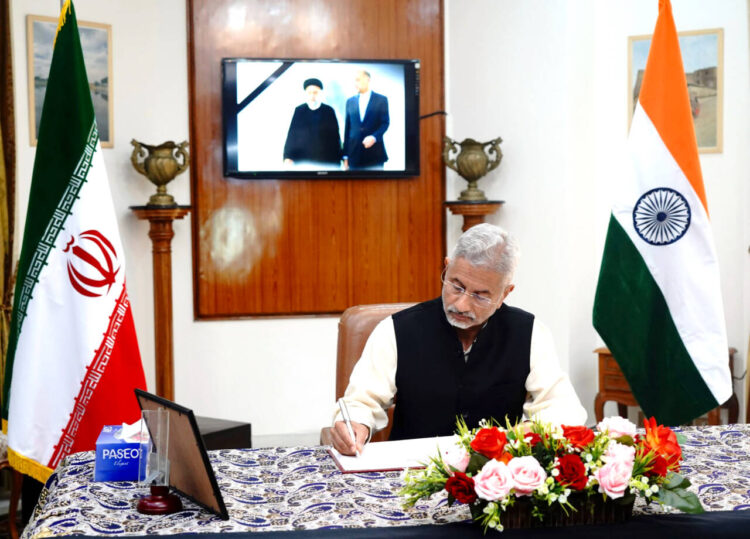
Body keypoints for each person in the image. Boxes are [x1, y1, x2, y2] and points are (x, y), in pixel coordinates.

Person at [331, 224, 587, 456]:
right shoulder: (395, 330)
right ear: (446, 266)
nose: (461, 304)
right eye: (456, 285)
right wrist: (355, 424)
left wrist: (520, 434)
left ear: (505, 293)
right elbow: (361, 401)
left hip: (494, 478)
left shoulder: (530, 333)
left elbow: (564, 411)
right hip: (410, 474)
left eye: (480, 295)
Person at [283, 78, 342, 167]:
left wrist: (339, 158)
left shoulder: (329, 111)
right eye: (309, 92)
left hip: (325, 160)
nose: (312, 96)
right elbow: (292, 134)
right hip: (303, 160)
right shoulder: (299, 110)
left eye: (315, 92)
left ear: (320, 93)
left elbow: (335, 137)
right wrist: (288, 156)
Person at [342, 70, 389, 170]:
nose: (355, 83)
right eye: (354, 81)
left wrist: (374, 137)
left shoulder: (381, 99)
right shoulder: (350, 101)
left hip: (375, 154)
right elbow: (347, 129)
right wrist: (345, 156)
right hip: (354, 155)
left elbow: (385, 123)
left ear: (368, 79)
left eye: (358, 80)